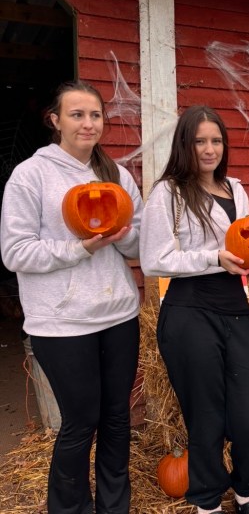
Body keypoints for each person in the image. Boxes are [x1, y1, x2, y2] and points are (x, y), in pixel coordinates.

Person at [0, 80, 143, 514]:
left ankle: (114, 507)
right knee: (81, 423)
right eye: (77, 114)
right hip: (62, 324)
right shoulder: (31, 175)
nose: (87, 123)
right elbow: (14, 251)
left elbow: (138, 247)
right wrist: (81, 247)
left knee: (117, 419)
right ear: (55, 120)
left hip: (118, 316)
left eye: (95, 115)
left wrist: (122, 236)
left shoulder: (115, 174)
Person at [139, 105, 249, 514]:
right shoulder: (169, 192)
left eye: (216, 140)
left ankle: (247, 487)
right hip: (189, 311)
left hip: (235, 308)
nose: (209, 149)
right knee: (206, 416)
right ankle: (207, 500)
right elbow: (154, 259)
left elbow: (245, 243)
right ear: (186, 145)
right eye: (200, 141)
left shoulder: (236, 188)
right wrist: (214, 258)